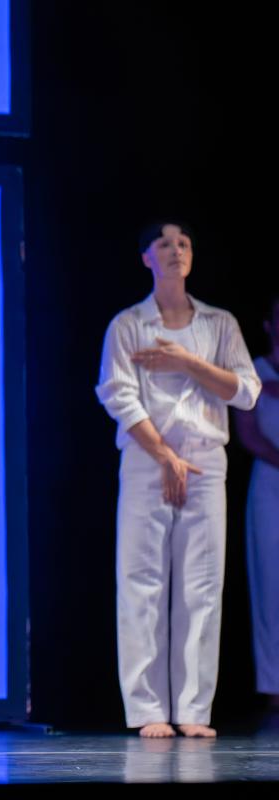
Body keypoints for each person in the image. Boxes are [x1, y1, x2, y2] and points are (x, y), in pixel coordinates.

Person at [96, 222, 261, 737]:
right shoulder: (129, 324)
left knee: (202, 584)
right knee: (142, 581)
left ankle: (194, 709)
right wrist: (165, 454)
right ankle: (147, 709)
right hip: (150, 458)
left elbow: (247, 391)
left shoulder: (219, 323)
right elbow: (117, 393)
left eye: (184, 243)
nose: (176, 251)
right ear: (146, 257)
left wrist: (186, 361)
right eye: (164, 244)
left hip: (206, 459)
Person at [234, 292, 279, 718]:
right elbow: (247, 432)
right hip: (270, 483)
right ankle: (273, 686)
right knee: (271, 586)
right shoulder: (254, 372)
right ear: (268, 324)